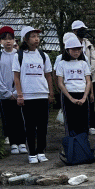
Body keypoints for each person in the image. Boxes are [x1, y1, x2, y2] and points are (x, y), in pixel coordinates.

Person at [13, 26, 55, 164]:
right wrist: (20, 95)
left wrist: (51, 93)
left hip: (42, 94)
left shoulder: (43, 55)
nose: (36, 39)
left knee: (42, 126)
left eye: (37, 36)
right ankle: (32, 153)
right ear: (25, 39)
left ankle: (41, 151)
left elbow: (48, 75)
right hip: (28, 96)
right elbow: (16, 77)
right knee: (30, 126)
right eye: (33, 36)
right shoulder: (19, 56)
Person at [0, 26, 27, 154]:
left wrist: (17, 92)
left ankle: (22, 142)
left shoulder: (20, 55)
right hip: (5, 95)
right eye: (5, 39)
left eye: (10, 38)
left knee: (20, 118)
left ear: (14, 40)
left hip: (19, 94)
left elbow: (23, 75)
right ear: (0, 41)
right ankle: (13, 143)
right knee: (9, 119)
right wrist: (6, 93)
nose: (8, 41)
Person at [55, 35, 92, 136]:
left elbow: (88, 81)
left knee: (83, 122)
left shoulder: (83, 63)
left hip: (82, 94)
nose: (76, 52)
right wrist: (71, 98)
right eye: (73, 49)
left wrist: (84, 97)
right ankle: (71, 143)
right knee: (70, 122)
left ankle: (83, 142)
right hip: (68, 95)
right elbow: (60, 83)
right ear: (67, 50)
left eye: (78, 49)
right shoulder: (62, 64)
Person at [71, 20, 95, 135]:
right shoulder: (70, 43)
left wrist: (90, 73)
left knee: (90, 101)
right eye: (80, 29)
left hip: (90, 76)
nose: (83, 32)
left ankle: (91, 125)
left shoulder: (88, 44)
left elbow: (94, 60)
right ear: (74, 31)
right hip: (76, 77)